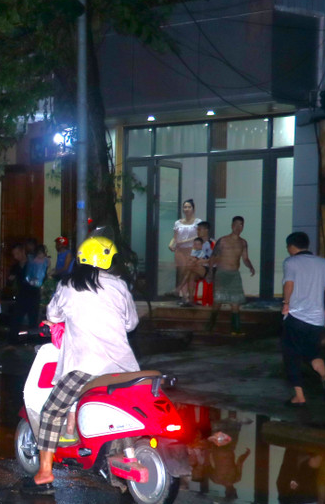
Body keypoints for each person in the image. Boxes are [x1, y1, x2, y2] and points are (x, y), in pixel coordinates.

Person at [31, 235, 140, 487]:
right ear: (107, 260)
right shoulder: (119, 285)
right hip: (124, 369)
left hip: (85, 369)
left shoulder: (68, 285)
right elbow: (131, 323)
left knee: (51, 410)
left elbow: (53, 314)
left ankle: (45, 471)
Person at [281, 231, 325, 406]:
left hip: (296, 316)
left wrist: (286, 303)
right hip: (316, 319)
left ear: (291, 246)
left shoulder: (291, 262)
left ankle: (299, 396)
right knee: (313, 353)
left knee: (292, 356)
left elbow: (289, 284)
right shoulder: (324, 263)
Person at [209, 215, 256, 334]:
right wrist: (210, 272)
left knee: (235, 303)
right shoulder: (223, 240)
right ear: (232, 226)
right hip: (222, 273)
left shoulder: (243, 243)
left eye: (241, 225)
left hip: (234, 274)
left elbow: (245, 258)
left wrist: (250, 266)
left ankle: (235, 329)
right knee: (218, 302)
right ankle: (210, 326)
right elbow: (213, 257)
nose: (238, 227)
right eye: (236, 224)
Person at [167, 199, 203, 303]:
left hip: (192, 250)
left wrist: (184, 241)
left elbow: (199, 236)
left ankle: (188, 296)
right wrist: (170, 244)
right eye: (185, 207)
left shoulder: (198, 222)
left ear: (193, 209)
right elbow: (175, 237)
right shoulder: (178, 222)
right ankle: (183, 297)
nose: (186, 209)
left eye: (189, 207)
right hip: (180, 250)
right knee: (182, 272)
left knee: (190, 271)